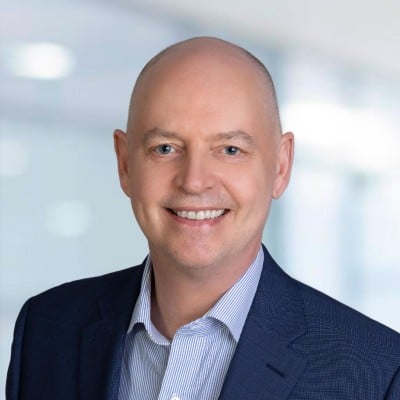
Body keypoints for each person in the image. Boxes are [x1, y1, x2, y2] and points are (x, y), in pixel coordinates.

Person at [6, 37, 400, 400]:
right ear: (124, 164)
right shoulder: (47, 330)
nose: (194, 181)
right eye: (165, 148)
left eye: (230, 150)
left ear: (281, 166)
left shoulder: (378, 375)